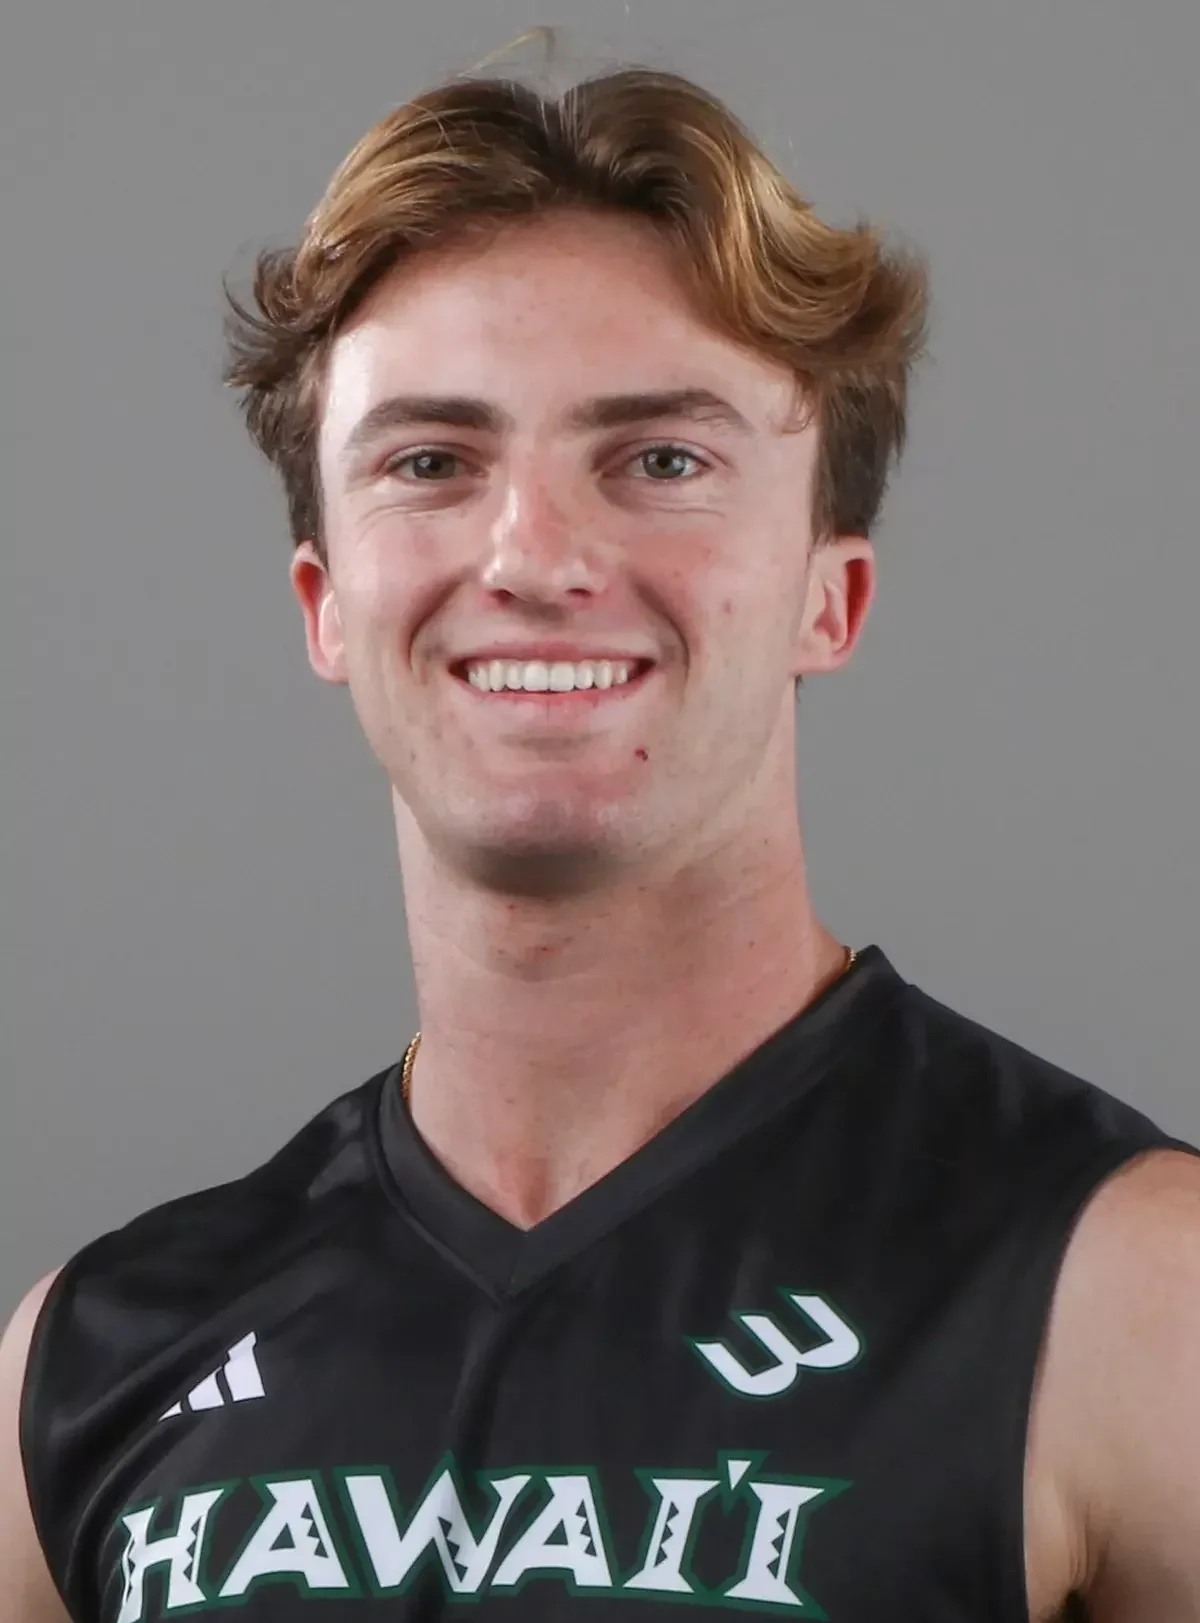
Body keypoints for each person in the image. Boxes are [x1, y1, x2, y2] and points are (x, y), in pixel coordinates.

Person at [3, 29, 1199, 1623]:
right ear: (326, 603)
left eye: (660, 458)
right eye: (432, 460)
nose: (535, 555)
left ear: (826, 596)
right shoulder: (89, 1359)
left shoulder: (1126, 1298)